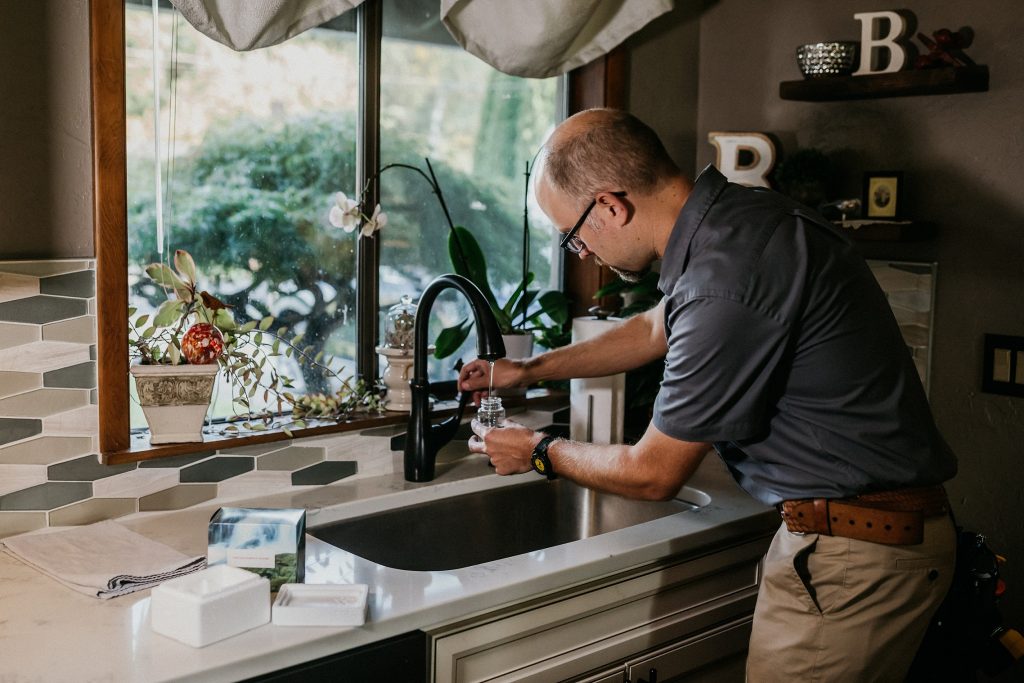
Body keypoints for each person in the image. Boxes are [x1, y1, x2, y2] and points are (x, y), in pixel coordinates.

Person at [459, 108, 958, 682]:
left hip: (854, 556)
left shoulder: (724, 278)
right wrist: (526, 369)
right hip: (861, 542)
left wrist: (537, 450)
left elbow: (652, 473)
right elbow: (653, 329)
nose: (584, 255)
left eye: (573, 237)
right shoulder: (740, 222)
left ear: (610, 206)